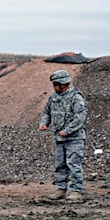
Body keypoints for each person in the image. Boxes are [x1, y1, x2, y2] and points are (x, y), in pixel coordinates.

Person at [39, 69, 87, 202]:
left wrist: (67, 131)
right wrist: (44, 123)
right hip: (59, 139)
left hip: (74, 139)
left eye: (56, 84)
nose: (54, 87)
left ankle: (76, 191)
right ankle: (61, 189)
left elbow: (80, 118)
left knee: (73, 164)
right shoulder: (53, 97)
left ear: (63, 84)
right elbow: (46, 112)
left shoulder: (76, 97)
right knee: (60, 164)